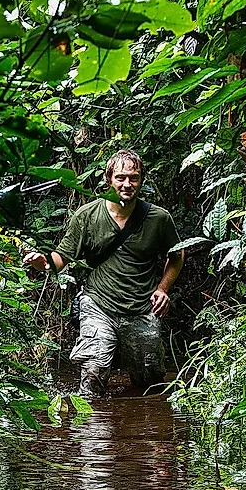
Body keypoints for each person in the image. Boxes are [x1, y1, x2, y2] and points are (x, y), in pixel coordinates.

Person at [24, 149, 184, 397]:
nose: (127, 184)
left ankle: (140, 430)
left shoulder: (159, 218)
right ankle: (91, 432)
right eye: (120, 177)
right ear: (109, 179)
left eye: (133, 178)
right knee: (94, 370)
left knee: (149, 382)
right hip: (98, 303)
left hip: (141, 307)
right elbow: (61, 257)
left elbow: (176, 255)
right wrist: (43, 264)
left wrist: (162, 289)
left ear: (141, 180)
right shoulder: (87, 215)